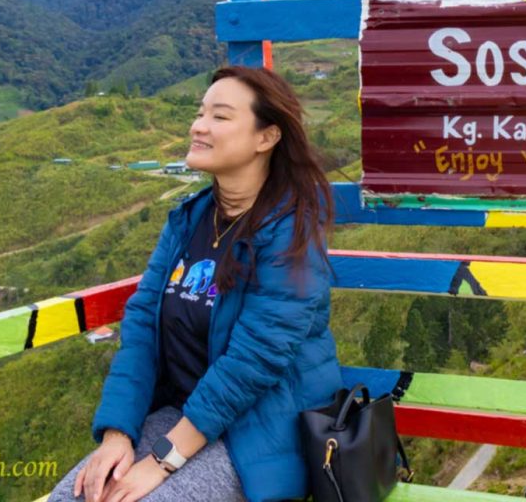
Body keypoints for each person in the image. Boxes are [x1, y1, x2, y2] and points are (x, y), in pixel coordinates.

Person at [48, 66, 341, 502]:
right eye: (200, 113)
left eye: (220, 117)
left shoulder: (290, 234)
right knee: (73, 496)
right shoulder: (189, 220)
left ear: (267, 138)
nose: (198, 126)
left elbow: (253, 362)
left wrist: (163, 460)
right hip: (183, 419)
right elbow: (143, 326)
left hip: (260, 434)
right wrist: (116, 434)